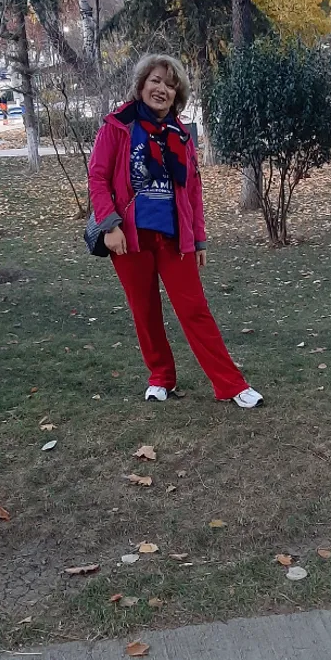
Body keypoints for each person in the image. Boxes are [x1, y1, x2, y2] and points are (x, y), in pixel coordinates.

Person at [88, 53, 263, 409]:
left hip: (174, 239)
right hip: (130, 238)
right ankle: (160, 377)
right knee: (145, 310)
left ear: (177, 94)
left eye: (170, 85)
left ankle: (230, 384)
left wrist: (198, 238)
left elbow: (193, 192)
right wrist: (110, 225)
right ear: (141, 85)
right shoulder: (118, 125)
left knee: (195, 309)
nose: (162, 89)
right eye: (155, 81)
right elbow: (98, 177)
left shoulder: (181, 135)